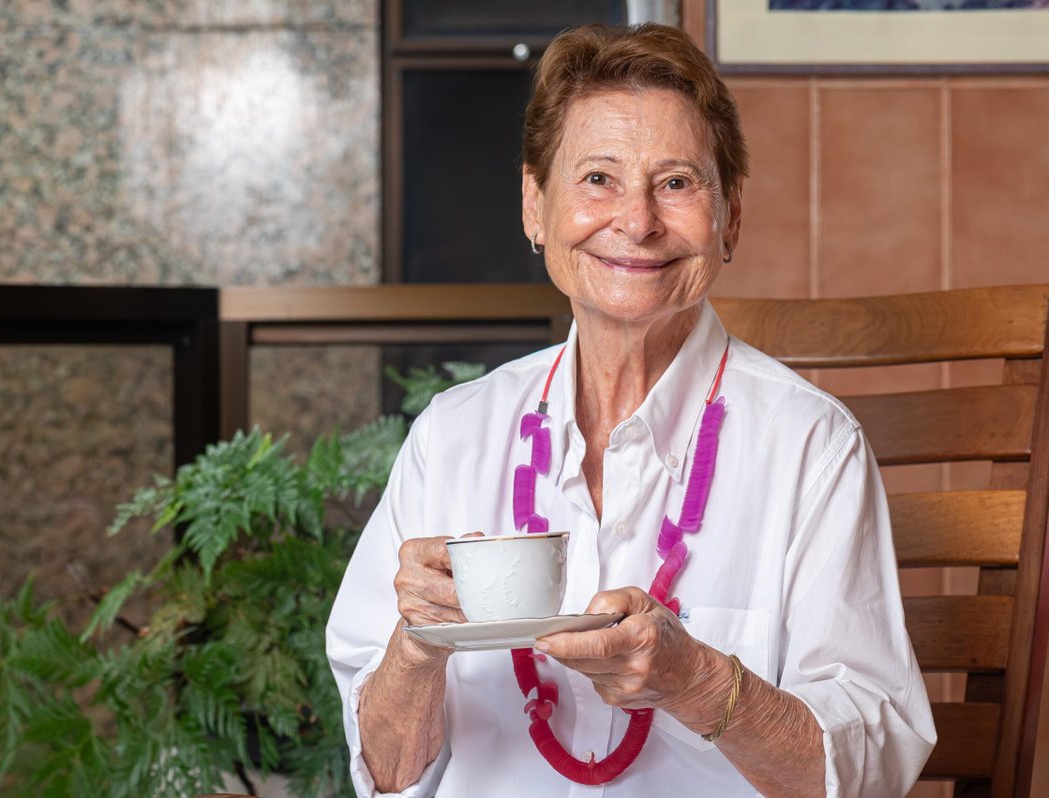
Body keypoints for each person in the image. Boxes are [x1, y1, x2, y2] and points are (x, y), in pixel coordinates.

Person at [326, 22, 935, 798]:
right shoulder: (452, 436)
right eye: (598, 179)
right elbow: (384, 772)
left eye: (676, 182)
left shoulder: (812, 446)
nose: (638, 221)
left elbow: (868, 775)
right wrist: (417, 649)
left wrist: (700, 683)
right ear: (535, 206)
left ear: (731, 219)